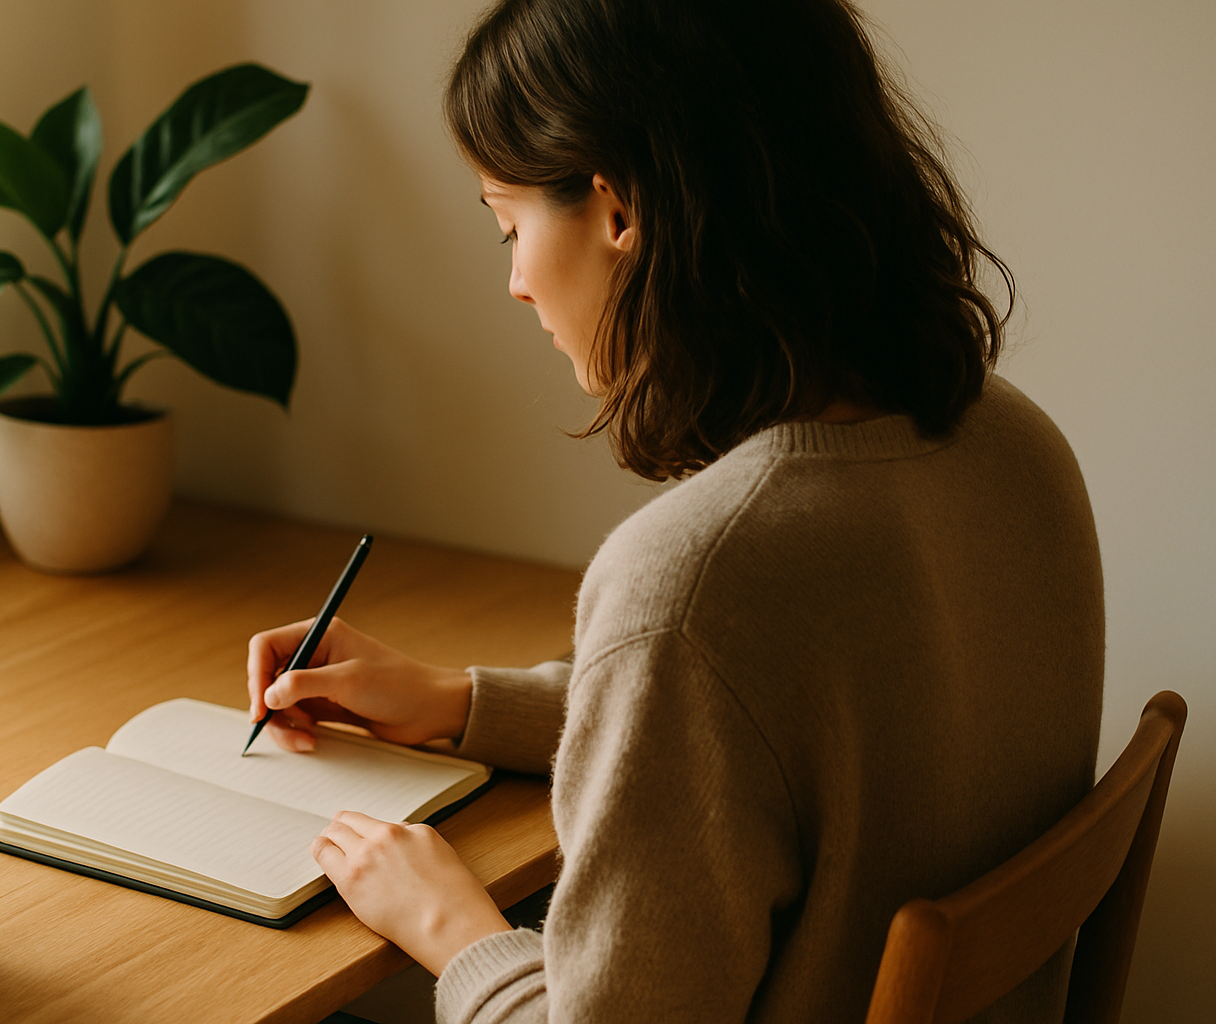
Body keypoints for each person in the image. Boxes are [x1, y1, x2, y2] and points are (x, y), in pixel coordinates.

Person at [246, 0, 1104, 1021]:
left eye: (511, 223)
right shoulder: (1017, 450)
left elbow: (709, 677)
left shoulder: (702, 578)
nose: (516, 282)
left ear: (618, 210)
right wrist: (463, 702)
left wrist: (454, 927)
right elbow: (786, 737)